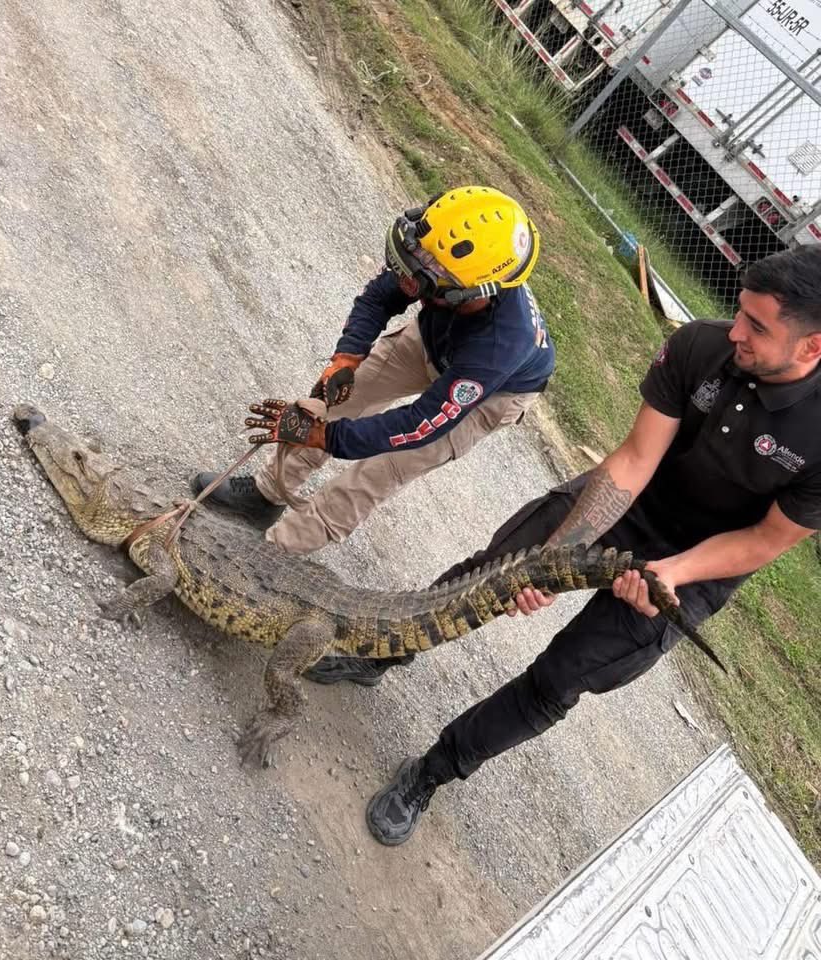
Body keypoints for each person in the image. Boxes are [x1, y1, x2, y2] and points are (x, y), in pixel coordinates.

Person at [345, 243, 821, 845]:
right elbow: (634, 459)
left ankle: (433, 773)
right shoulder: (703, 344)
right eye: (740, 314)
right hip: (631, 500)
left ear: (812, 347)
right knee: (492, 571)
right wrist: (552, 560)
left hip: (701, 561)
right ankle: (379, 655)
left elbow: (764, 541)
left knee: (560, 680)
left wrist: (670, 573)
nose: (736, 334)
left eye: (757, 327)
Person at [194, 185, 555, 581]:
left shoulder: (501, 345)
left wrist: (328, 439)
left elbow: (420, 423)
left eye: (429, 278)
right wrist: (347, 357)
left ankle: (266, 561)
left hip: (493, 394)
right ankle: (267, 495)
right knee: (336, 399)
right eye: (419, 259)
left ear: (469, 292)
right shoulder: (439, 261)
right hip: (436, 338)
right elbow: (380, 297)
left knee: (382, 469)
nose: (415, 277)